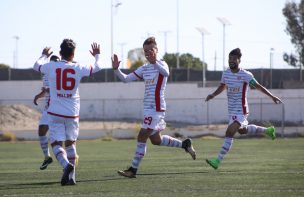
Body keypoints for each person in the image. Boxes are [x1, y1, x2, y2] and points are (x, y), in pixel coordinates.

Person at [112, 37, 196, 178]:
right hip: (148, 109)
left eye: (151, 50)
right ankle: (185, 144)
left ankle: (133, 169)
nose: (148, 53)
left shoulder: (162, 64)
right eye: (146, 51)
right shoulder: (144, 68)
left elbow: (166, 73)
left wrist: (154, 62)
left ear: (157, 50)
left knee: (142, 135)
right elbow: (126, 79)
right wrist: (116, 69)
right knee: (156, 140)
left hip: (156, 108)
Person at [33, 39, 102, 185]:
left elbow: (36, 65)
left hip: (55, 112)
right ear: (73, 54)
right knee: (71, 144)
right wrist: (97, 55)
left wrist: (43, 55)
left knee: (56, 143)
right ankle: (72, 179)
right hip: (72, 113)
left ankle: (66, 166)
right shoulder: (78, 66)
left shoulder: (51, 66)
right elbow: (98, 67)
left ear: (60, 53)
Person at [205, 48, 283, 170]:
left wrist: (272, 96)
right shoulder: (225, 73)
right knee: (242, 131)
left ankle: (217, 161)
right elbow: (222, 86)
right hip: (231, 111)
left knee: (229, 132)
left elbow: (258, 86)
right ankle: (268, 131)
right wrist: (213, 95)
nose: (231, 61)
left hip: (241, 110)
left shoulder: (246, 75)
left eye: (233, 59)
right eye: (229, 58)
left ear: (239, 60)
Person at [33, 55, 60, 170]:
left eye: (57, 62)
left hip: (60, 108)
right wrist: (38, 96)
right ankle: (47, 157)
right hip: (48, 108)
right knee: (41, 131)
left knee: (58, 138)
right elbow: (46, 90)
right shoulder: (45, 76)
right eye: (53, 62)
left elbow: (58, 89)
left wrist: (47, 90)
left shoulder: (61, 74)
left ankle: (68, 163)